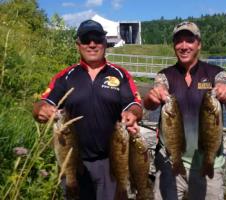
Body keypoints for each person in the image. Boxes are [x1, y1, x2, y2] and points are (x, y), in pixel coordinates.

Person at [32, 19, 143, 200]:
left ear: (105, 43)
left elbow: (135, 105)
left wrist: (133, 113)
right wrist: (41, 110)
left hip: (112, 161)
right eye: (86, 39)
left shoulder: (120, 74)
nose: (92, 44)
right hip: (73, 162)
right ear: (78, 45)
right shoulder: (66, 76)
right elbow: (41, 104)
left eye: (97, 39)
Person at [143, 21, 226, 200]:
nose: (183, 46)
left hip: (208, 163)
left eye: (189, 40)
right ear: (174, 46)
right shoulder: (164, 75)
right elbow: (150, 103)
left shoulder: (217, 73)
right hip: (169, 162)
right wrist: (152, 97)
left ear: (199, 44)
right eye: (178, 41)